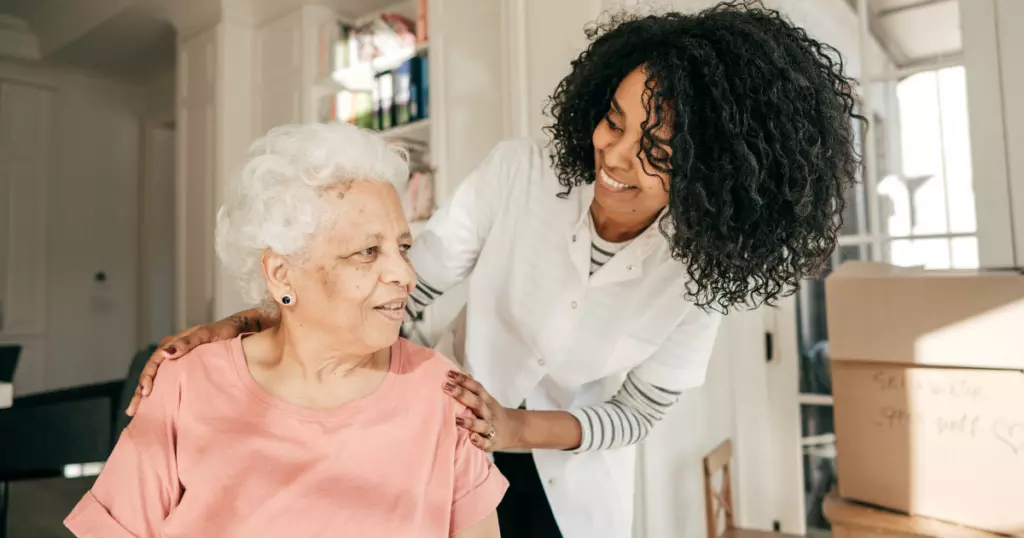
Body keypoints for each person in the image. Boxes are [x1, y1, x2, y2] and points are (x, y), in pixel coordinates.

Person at [126, 2, 862, 537]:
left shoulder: (699, 276)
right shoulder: (522, 174)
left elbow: (638, 412)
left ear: (713, 176)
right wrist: (265, 323)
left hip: (568, 476)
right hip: (443, 424)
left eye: (657, 153)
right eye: (614, 119)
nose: (614, 157)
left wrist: (518, 427)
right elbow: (410, 287)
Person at [66, 124, 507, 538]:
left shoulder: (439, 389)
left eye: (403, 248)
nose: (405, 276)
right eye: (368, 251)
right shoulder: (188, 382)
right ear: (281, 273)